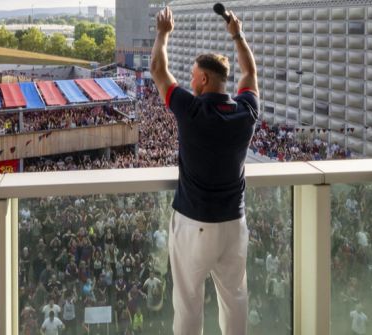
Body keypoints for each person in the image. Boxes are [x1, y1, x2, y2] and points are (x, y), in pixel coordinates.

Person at [150, 5, 259, 335]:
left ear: (205, 79)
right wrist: (237, 35)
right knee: (236, 298)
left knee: (188, 301)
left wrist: (163, 33)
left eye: (194, 75)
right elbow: (250, 73)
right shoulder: (245, 112)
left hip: (194, 223)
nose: (190, 79)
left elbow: (157, 68)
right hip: (234, 223)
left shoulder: (192, 109)